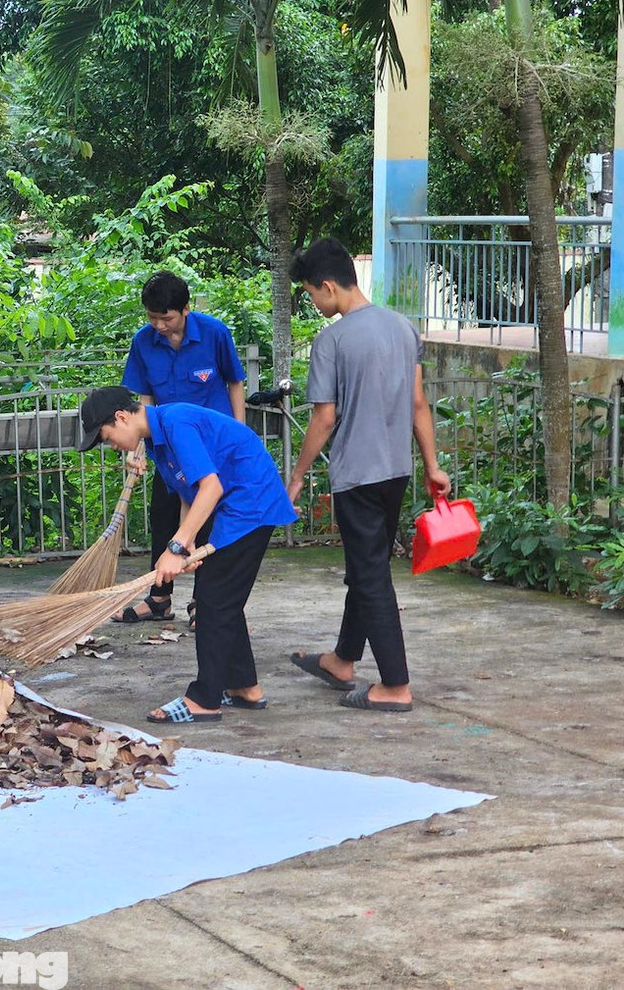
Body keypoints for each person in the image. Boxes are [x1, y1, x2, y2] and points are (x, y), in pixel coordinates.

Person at [285, 238, 450, 713]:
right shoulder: (402, 328)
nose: (312, 303)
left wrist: (297, 475)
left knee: (372, 574)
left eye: (311, 293)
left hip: (356, 474)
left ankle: (395, 685)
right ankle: (341, 660)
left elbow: (324, 418)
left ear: (329, 286)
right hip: (395, 470)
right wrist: (432, 466)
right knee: (367, 566)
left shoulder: (332, 340)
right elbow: (419, 404)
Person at [79, 386, 296, 724]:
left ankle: (204, 700)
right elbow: (189, 491)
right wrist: (188, 541)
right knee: (220, 597)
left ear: (121, 418)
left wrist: (176, 547)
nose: (111, 445)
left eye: (106, 437)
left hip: (250, 503)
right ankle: (244, 687)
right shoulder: (156, 440)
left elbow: (212, 487)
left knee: (212, 600)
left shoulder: (176, 422)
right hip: (234, 504)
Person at [114, 270, 247, 626]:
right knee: (163, 514)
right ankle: (160, 599)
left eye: (166, 317)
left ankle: (203, 602)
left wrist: (239, 433)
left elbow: (235, 383)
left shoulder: (215, 334)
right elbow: (144, 398)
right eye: (152, 317)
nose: (158, 325)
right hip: (168, 448)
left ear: (185, 309)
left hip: (212, 449)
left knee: (206, 523)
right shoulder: (143, 342)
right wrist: (137, 447)